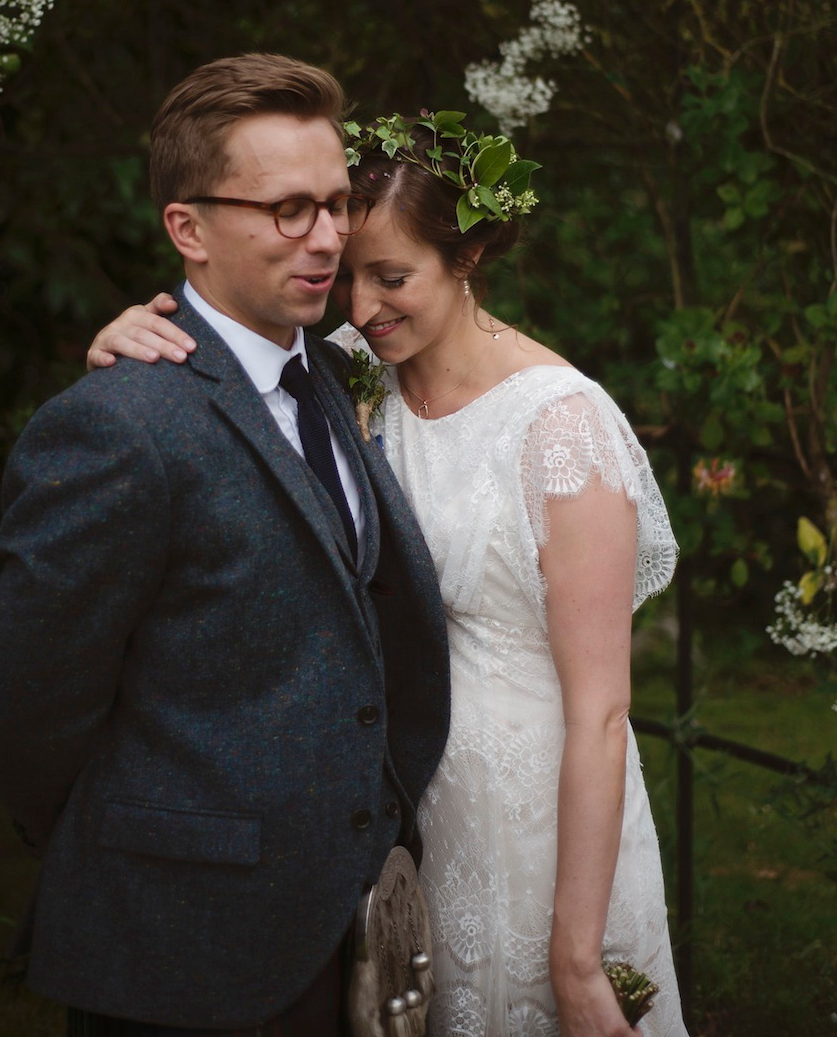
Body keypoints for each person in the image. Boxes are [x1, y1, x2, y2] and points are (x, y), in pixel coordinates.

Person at [91, 111, 690, 1037]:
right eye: (351, 278)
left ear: (470, 256)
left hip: (538, 823)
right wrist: (127, 342)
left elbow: (603, 714)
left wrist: (576, 957)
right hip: (394, 823)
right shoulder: (343, 377)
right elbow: (216, 397)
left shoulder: (560, 425)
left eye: (393, 276)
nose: (363, 307)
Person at [0, 56, 451, 1037]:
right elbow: (22, 702)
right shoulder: (118, 426)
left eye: (335, 204)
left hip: (343, 932)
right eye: (286, 211)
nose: (327, 239)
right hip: (181, 951)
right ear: (187, 227)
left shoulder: (324, 366)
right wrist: (130, 838)